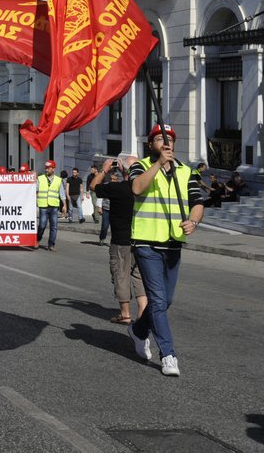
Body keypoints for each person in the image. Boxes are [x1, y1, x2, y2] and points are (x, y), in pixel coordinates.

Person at [127, 124, 204, 378]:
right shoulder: (141, 165)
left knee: (166, 301)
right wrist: (159, 163)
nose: (165, 142)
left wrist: (193, 221)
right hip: (147, 242)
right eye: (160, 138)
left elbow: (197, 203)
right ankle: (168, 354)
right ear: (151, 144)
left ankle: (139, 331)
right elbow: (137, 188)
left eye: (169, 139)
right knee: (158, 300)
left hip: (173, 243)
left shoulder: (185, 171)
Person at [90, 158, 147, 326]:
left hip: (121, 240)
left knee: (121, 274)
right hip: (142, 239)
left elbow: (94, 186)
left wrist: (105, 169)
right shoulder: (146, 190)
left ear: (124, 170)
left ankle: (125, 314)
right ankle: (143, 313)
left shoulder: (118, 188)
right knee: (139, 276)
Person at [36, 160, 67, 251]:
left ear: (53, 169)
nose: (46, 170)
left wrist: (64, 205)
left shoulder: (58, 180)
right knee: (42, 225)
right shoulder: (40, 178)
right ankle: (37, 239)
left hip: (54, 207)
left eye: (48, 168)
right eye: (45, 168)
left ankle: (51, 245)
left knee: (54, 227)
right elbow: (35, 190)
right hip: (43, 206)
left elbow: (62, 194)